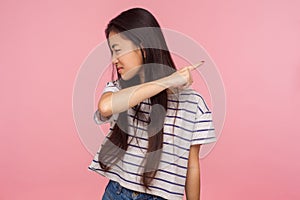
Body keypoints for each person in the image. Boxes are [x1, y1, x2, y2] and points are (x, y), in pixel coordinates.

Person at [88, 7, 217, 200]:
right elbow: (105, 107)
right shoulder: (118, 90)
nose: (114, 60)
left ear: (142, 46)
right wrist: (168, 81)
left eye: (118, 50)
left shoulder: (193, 103)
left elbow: (192, 165)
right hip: (116, 193)